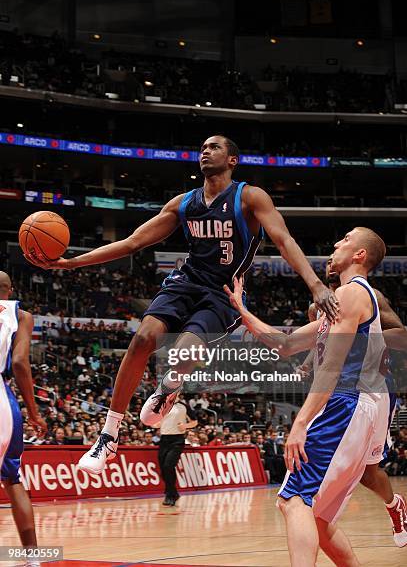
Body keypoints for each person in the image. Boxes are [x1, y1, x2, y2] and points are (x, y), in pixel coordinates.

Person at [25, 134, 337, 474]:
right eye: (202, 147)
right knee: (143, 338)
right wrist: (71, 263)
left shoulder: (249, 197)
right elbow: (131, 243)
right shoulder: (184, 203)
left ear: (233, 160)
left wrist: (316, 284)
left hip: (223, 293)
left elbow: (284, 239)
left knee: (184, 351)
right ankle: (109, 435)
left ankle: (169, 386)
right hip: (185, 282)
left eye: (214, 147)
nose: (205, 151)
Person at [225, 227, 401, 566]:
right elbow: (286, 343)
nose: (336, 244)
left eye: (346, 240)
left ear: (360, 255)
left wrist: (301, 422)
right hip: (356, 411)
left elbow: (332, 367)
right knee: (317, 519)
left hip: (344, 405)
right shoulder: (340, 304)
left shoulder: (353, 294)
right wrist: (242, 311)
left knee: (292, 501)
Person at [300, 254, 407, 547]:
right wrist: (309, 363)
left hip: (374, 386)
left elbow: (401, 333)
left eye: (334, 259)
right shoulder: (318, 308)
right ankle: (308, 510)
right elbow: (324, 343)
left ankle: (393, 504)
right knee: (357, 472)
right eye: (326, 263)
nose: (330, 262)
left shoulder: (368, 296)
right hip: (341, 388)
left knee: (369, 472)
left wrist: (367, 335)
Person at [0, 272, 47, 567]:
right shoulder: (20, 314)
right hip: (0, 398)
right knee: (11, 480)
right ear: (10, 290)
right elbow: (18, 362)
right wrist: (33, 411)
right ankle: (32, 559)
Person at [153, 394, 197, 506]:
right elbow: (157, 420)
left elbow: (195, 421)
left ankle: (170, 495)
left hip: (177, 440)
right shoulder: (162, 405)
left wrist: (186, 426)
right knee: (163, 469)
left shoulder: (183, 406)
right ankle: (173, 492)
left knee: (168, 466)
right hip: (164, 439)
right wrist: (156, 424)